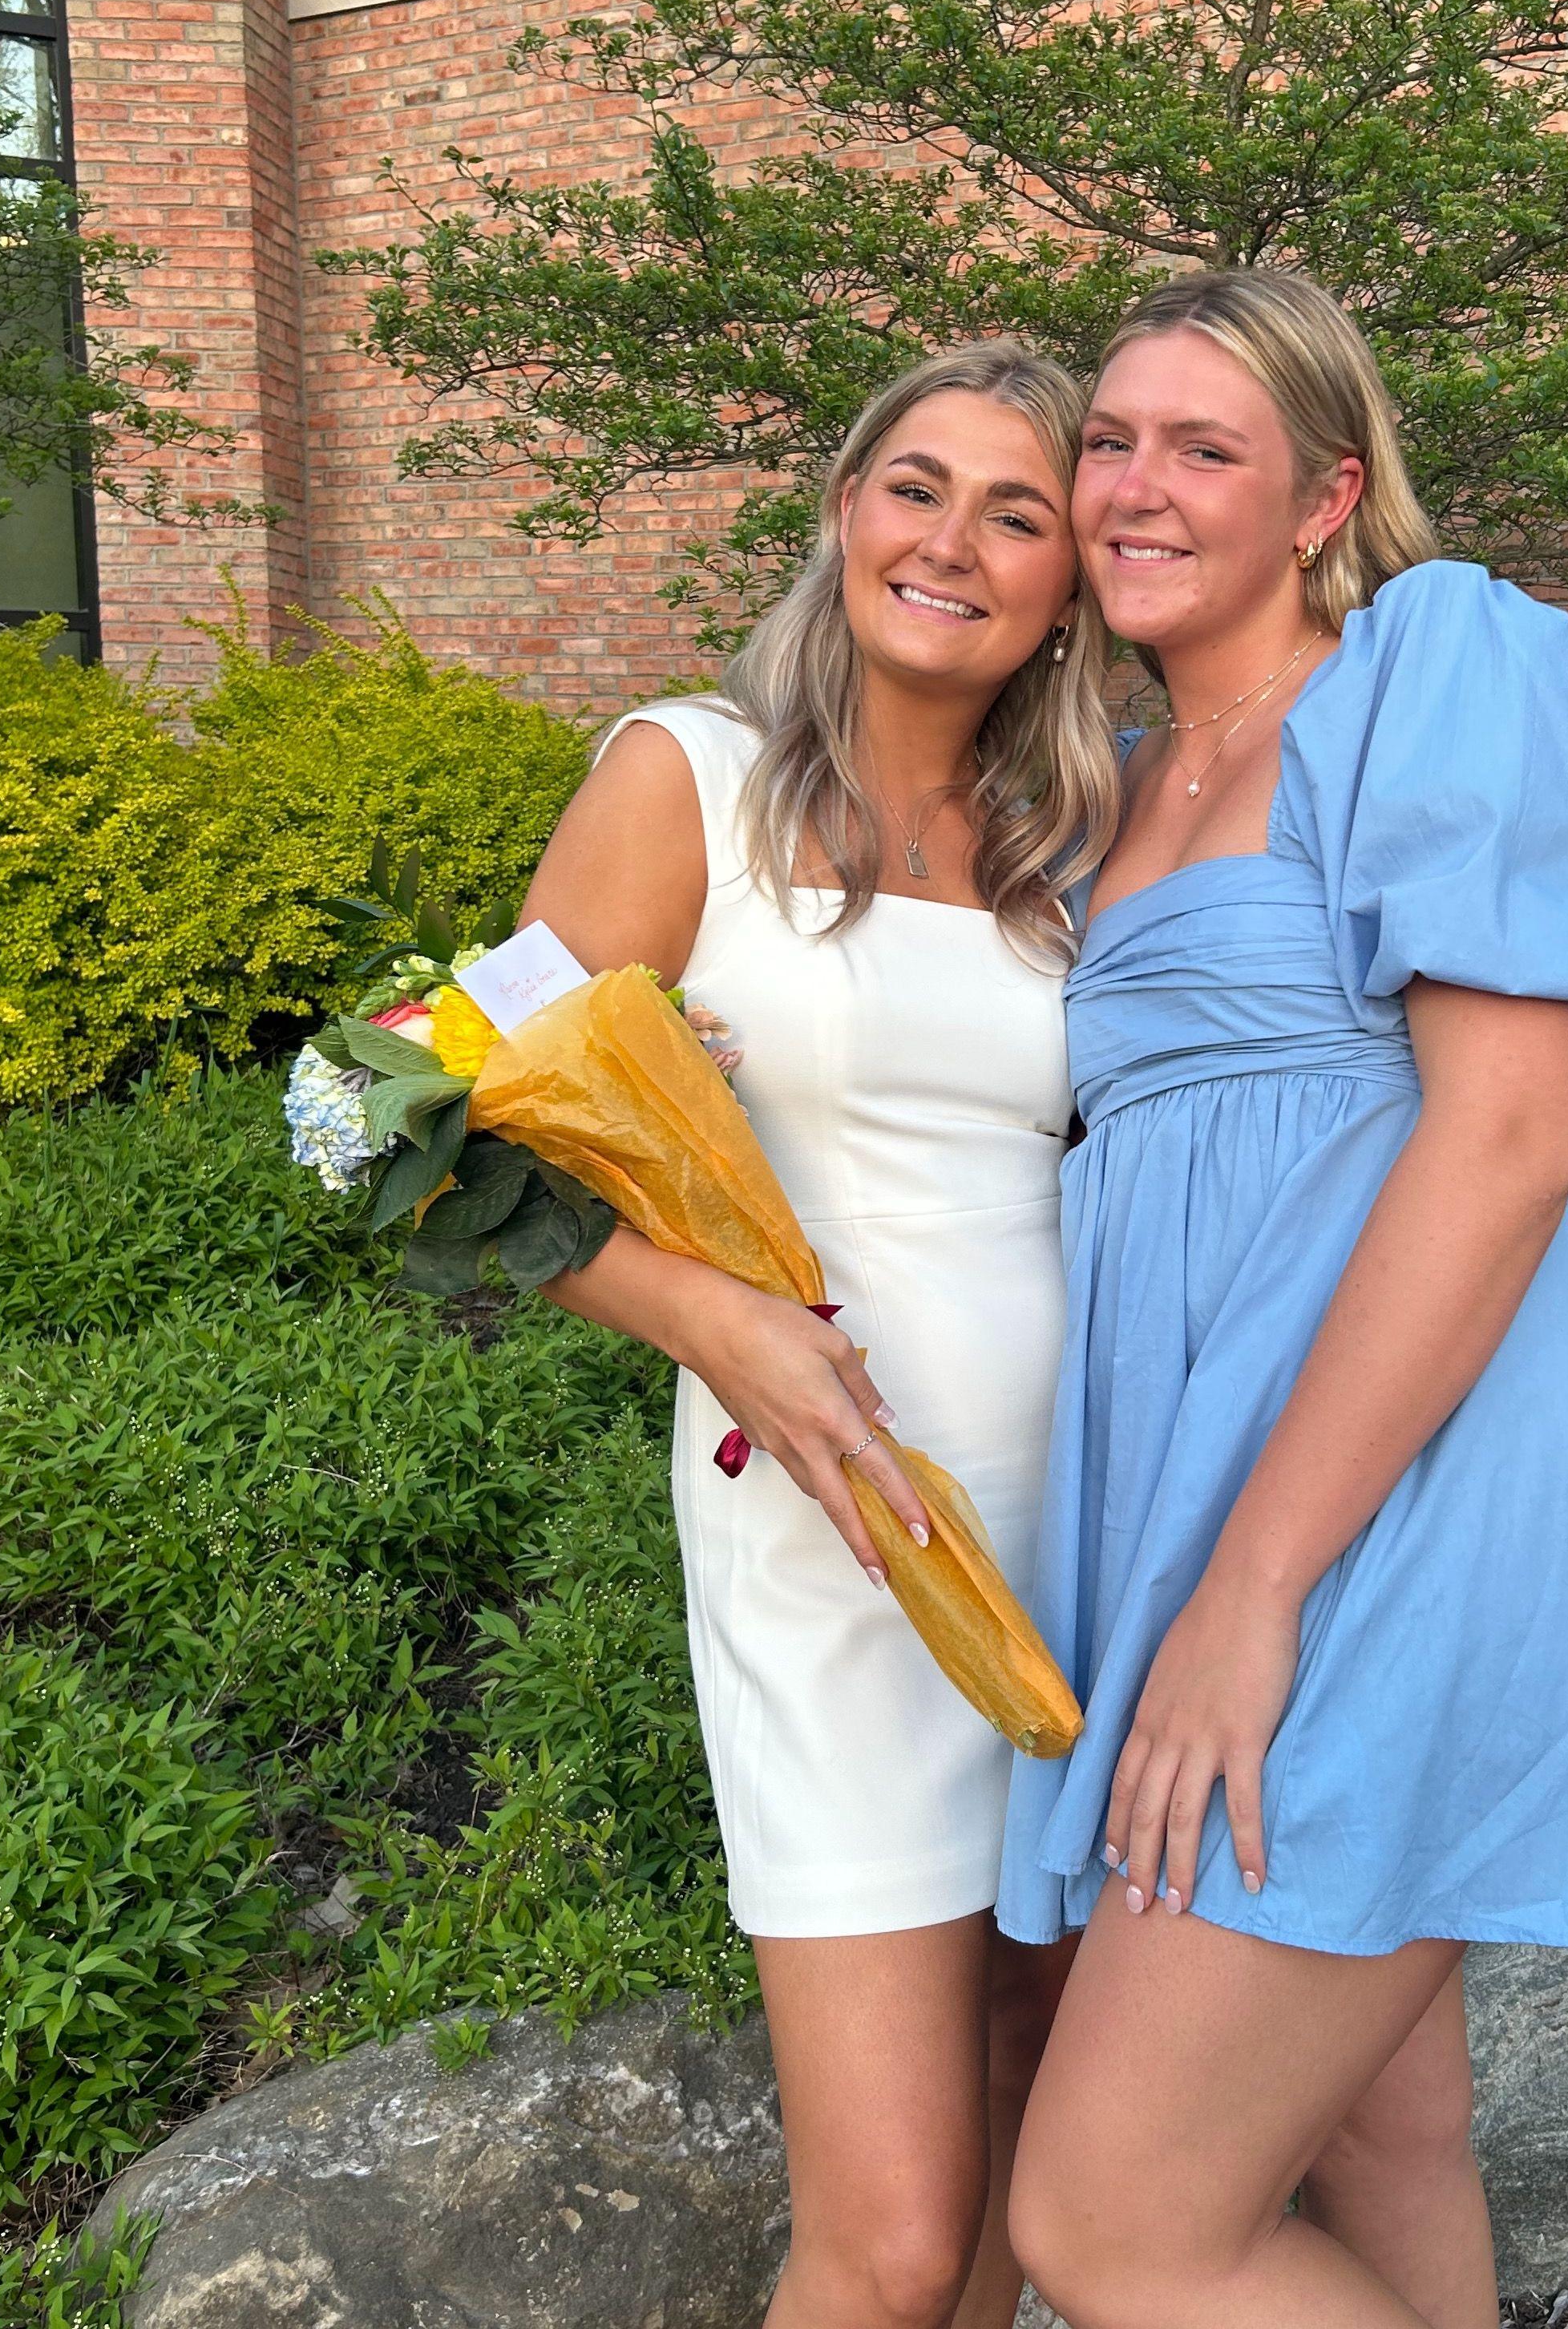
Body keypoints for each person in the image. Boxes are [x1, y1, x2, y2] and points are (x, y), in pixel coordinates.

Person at [999, 269, 1568, 2329]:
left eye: (1201, 449)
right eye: (1110, 442)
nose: (1135, 486)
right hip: (1200, 1477)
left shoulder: (1435, 665)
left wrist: (1253, 1591)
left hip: (1399, 1488)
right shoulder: (1108, 781)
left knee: (1117, 2223)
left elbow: (1510, 1139)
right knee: (1384, 2134)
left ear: (1325, 498)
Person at [519, 340, 1117, 2329]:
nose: (953, 542)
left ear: (1069, 583)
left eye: (1017, 514)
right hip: (830, 1529)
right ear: (846, 508)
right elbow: (400, 1122)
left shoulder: (1076, 840)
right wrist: (712, 1321)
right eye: (917, 487)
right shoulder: (686, 774)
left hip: (1085, 1519)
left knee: (1035, 2118)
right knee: (892, 2235)